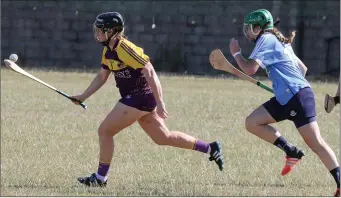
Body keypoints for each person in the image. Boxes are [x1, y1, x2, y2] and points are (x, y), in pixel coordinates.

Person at [71, 12, 224, 187]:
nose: (97, 34)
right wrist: (82, 96)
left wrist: (160, 102)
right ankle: (211, 148)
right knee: (163, 138)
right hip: (137, 99)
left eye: (100, 30)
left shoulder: (125, 48)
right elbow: (102, 76)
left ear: (112, 31)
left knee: (105, 131)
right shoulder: (107, 51)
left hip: (139, 97)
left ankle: (100, 178)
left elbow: (149, 71)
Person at [228, 9, 340, 196]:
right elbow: (302, 69)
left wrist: (236, 53)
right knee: (252, 122)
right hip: (291, 97)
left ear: (259, 28)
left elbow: (250, 68)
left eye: (250, 28)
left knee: (316, 143)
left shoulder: (265, 39)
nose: (247, 32)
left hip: (295, 98)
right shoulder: (280, 41)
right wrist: (284, 85)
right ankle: (291, 151)